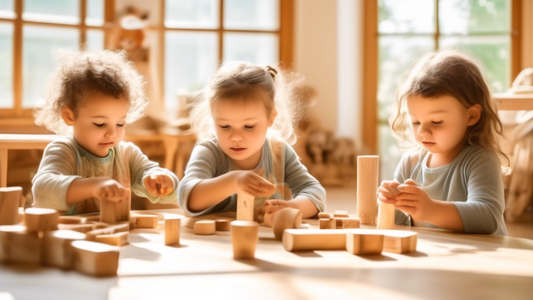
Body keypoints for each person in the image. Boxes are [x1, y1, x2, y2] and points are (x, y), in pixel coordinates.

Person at [32, 49, 178, 214]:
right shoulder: (63, 151)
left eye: (120, 123)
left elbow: (150, 172)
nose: (112, 134)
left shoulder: (127, 153)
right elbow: (42, 189)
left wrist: (161, 179)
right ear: (69, 116)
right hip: (67, 236)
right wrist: (94, 186)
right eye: (100, 124)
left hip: (111, 236)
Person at [178, 62, 325, 226]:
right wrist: (234, 181)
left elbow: (315, 192)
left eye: (248, 127)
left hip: (266, 246)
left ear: (270, 118)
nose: (236, 137)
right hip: (216, 244)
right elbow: (186, 197)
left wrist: (291, 207)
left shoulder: (278, 151)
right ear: (213, 118)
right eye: (225, 126)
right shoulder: (209, 151)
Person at [378, 50, 508, 235]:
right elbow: (399, 224)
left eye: (437, 122)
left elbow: (488, 218)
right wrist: (389, 203)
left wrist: (430, 210)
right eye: (415, 122)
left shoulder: (480, 159)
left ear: (471, 116)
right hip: (435, 258)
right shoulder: (411, 162)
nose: (422, 131)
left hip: (482, 259)